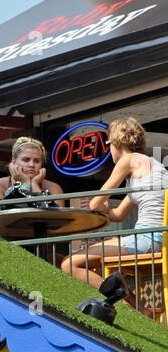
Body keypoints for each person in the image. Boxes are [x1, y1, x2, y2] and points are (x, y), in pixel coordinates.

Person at [62, 116, 168, 290]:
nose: (108, 150)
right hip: (160, 240)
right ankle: (139, 309)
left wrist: (97, 204)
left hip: (146, 240)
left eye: (108, 144)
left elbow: (95, 204)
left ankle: (132, 309)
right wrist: (103, 208)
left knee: (69, 263)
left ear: (117, 142)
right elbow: (118, 215)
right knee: (99, 257)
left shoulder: (129, 160)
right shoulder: (151, 166)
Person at [0, 136, 65, 205]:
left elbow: (55, 219)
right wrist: (25, 185)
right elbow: (3, 220)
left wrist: (35, 185)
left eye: (36, 161)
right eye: (26, 160)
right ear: (13, 162)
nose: (31, 165)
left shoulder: (54, 188)